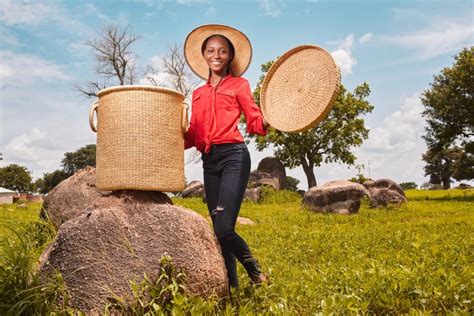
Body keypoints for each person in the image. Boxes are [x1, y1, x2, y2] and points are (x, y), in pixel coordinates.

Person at [183, 24, 269, 290]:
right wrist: (166, 141)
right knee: (220, 233)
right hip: (210, 162)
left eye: (222, 51)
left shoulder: (239, 85)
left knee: (224, 229)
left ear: (230, 56)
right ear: (205, 56)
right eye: (211, 51)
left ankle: (255, 273)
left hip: (234, 156)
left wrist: (265, 122)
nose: (216, 55)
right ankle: (232, 289)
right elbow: (194, 132)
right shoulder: (197, 93)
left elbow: (254, 117)